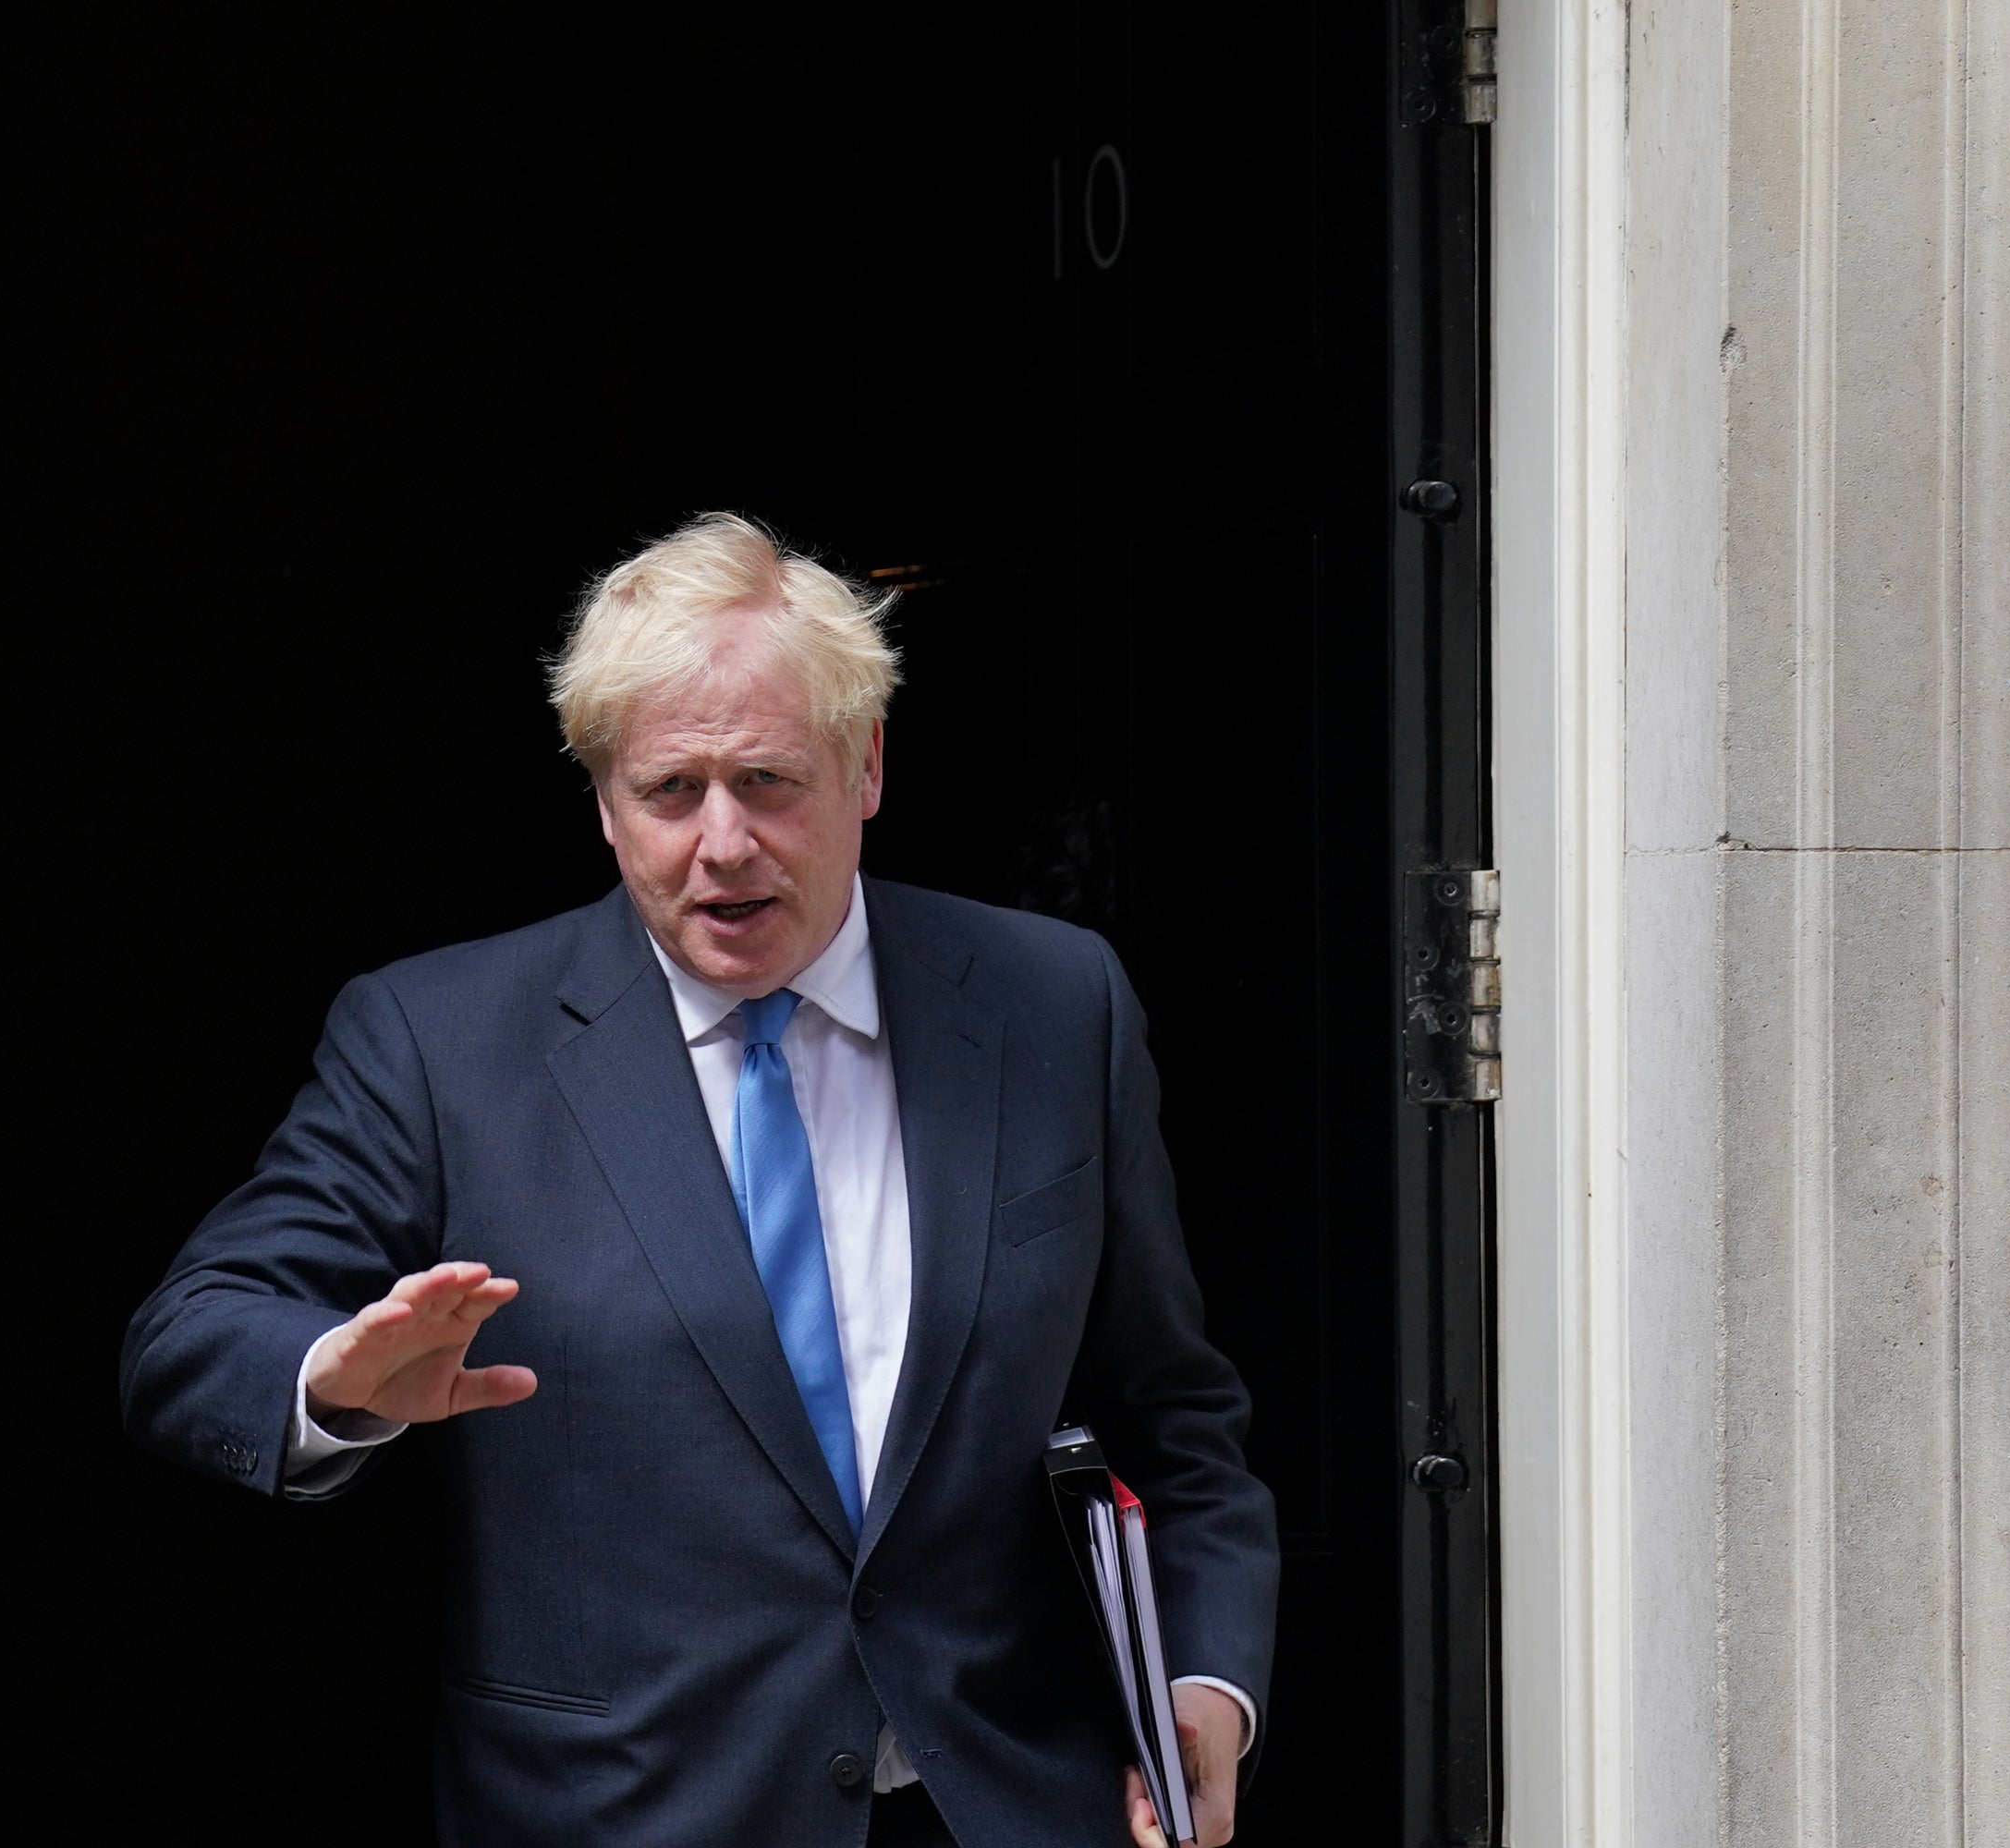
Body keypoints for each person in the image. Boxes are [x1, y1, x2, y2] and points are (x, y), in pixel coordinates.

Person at [121, 514, 1277, 1846]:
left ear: (867, 770)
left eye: (769, 783)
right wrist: (333, 1376)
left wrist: (1204, 1685)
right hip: (625, 1815)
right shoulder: (441, 1042)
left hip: (1005, 1808)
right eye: (671, 792)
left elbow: (1175, 1417)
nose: (721, 843)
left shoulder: (1053, 1006)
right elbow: (192, 1333)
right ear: (607, 805)